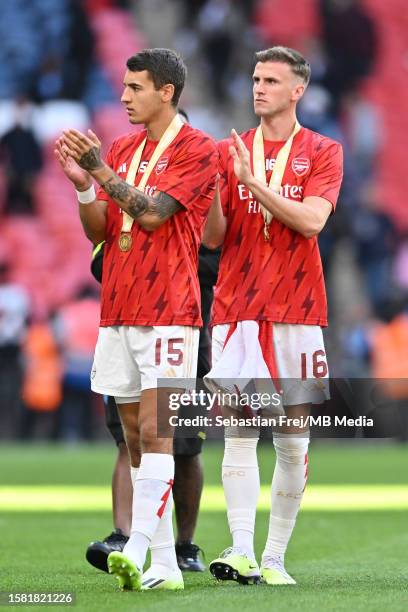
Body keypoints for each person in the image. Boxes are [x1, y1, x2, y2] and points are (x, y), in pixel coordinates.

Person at [55, 48, 218, 592]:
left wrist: (100, 168)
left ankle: (141, 547)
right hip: (118, 307)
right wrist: (84, 183)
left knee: (157, 429)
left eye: (134, 87)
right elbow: (101, 229)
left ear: (166, 91)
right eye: (123, 87)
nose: (123, 97)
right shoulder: (122, 148)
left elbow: (151, 214)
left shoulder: (198, 149)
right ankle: (167, 567)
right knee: (132, 437)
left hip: (171, 309)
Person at [203, 46, 343, 585]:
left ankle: (275, 557)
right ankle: (240, 549)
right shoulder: (226, 152)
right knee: (239, 433)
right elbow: (214, 238)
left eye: (270, 80)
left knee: (291, 438)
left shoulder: (323, 150)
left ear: (297, 90)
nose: (258, 88)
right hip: (238, 307)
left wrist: (253, 182)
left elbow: (310, 222)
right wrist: (219, 189)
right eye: (255, 78)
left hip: (298, 308)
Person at [85, 236, 219, 573]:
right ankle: (123, 535)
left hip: (185, 335)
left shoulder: (192, 206)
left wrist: (158, 260)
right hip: (128, 331)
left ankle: (184, 545)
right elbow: (100, 261)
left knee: (185, 446)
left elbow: (216, 265)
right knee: (129, 439)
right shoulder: (126, 205)